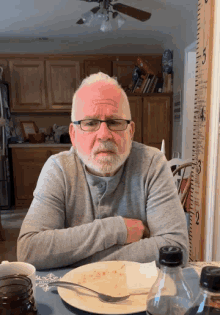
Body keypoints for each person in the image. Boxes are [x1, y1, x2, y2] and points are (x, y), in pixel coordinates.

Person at [17, 72, 189, 270]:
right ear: (73, 134)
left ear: (130, 131)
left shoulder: (152, 164)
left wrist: (69, 257)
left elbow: (176, 249)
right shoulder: (58, 169)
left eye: (115, 122)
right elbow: (30, 251)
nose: (104, 135)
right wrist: (117, 229)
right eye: (90, 123)